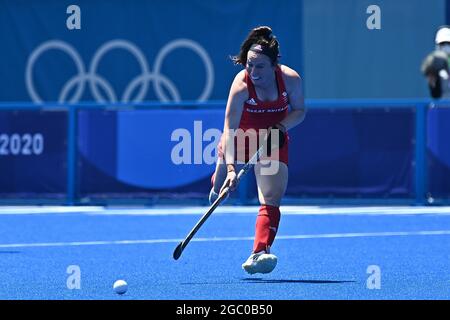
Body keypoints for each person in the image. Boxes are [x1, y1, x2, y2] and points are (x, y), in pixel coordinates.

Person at [209, 26, 306, 274]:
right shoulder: (241, 86)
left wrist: (281, 126)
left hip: (273, 139)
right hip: (241, 136)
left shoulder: (291, 80)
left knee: (271, 196)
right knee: (221, 184)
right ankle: (217, 179)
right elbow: (229, 130)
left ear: (274, 66)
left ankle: (259, 252)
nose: (252, 72)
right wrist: (231, 169)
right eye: (249, 65)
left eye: (259, 66)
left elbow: (299, 111)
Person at [421, 26, 450, 98]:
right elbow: (435, 94)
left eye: (448, 43)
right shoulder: (434, 59)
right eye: (442, 44)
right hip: (440, 105)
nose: (446, 46)